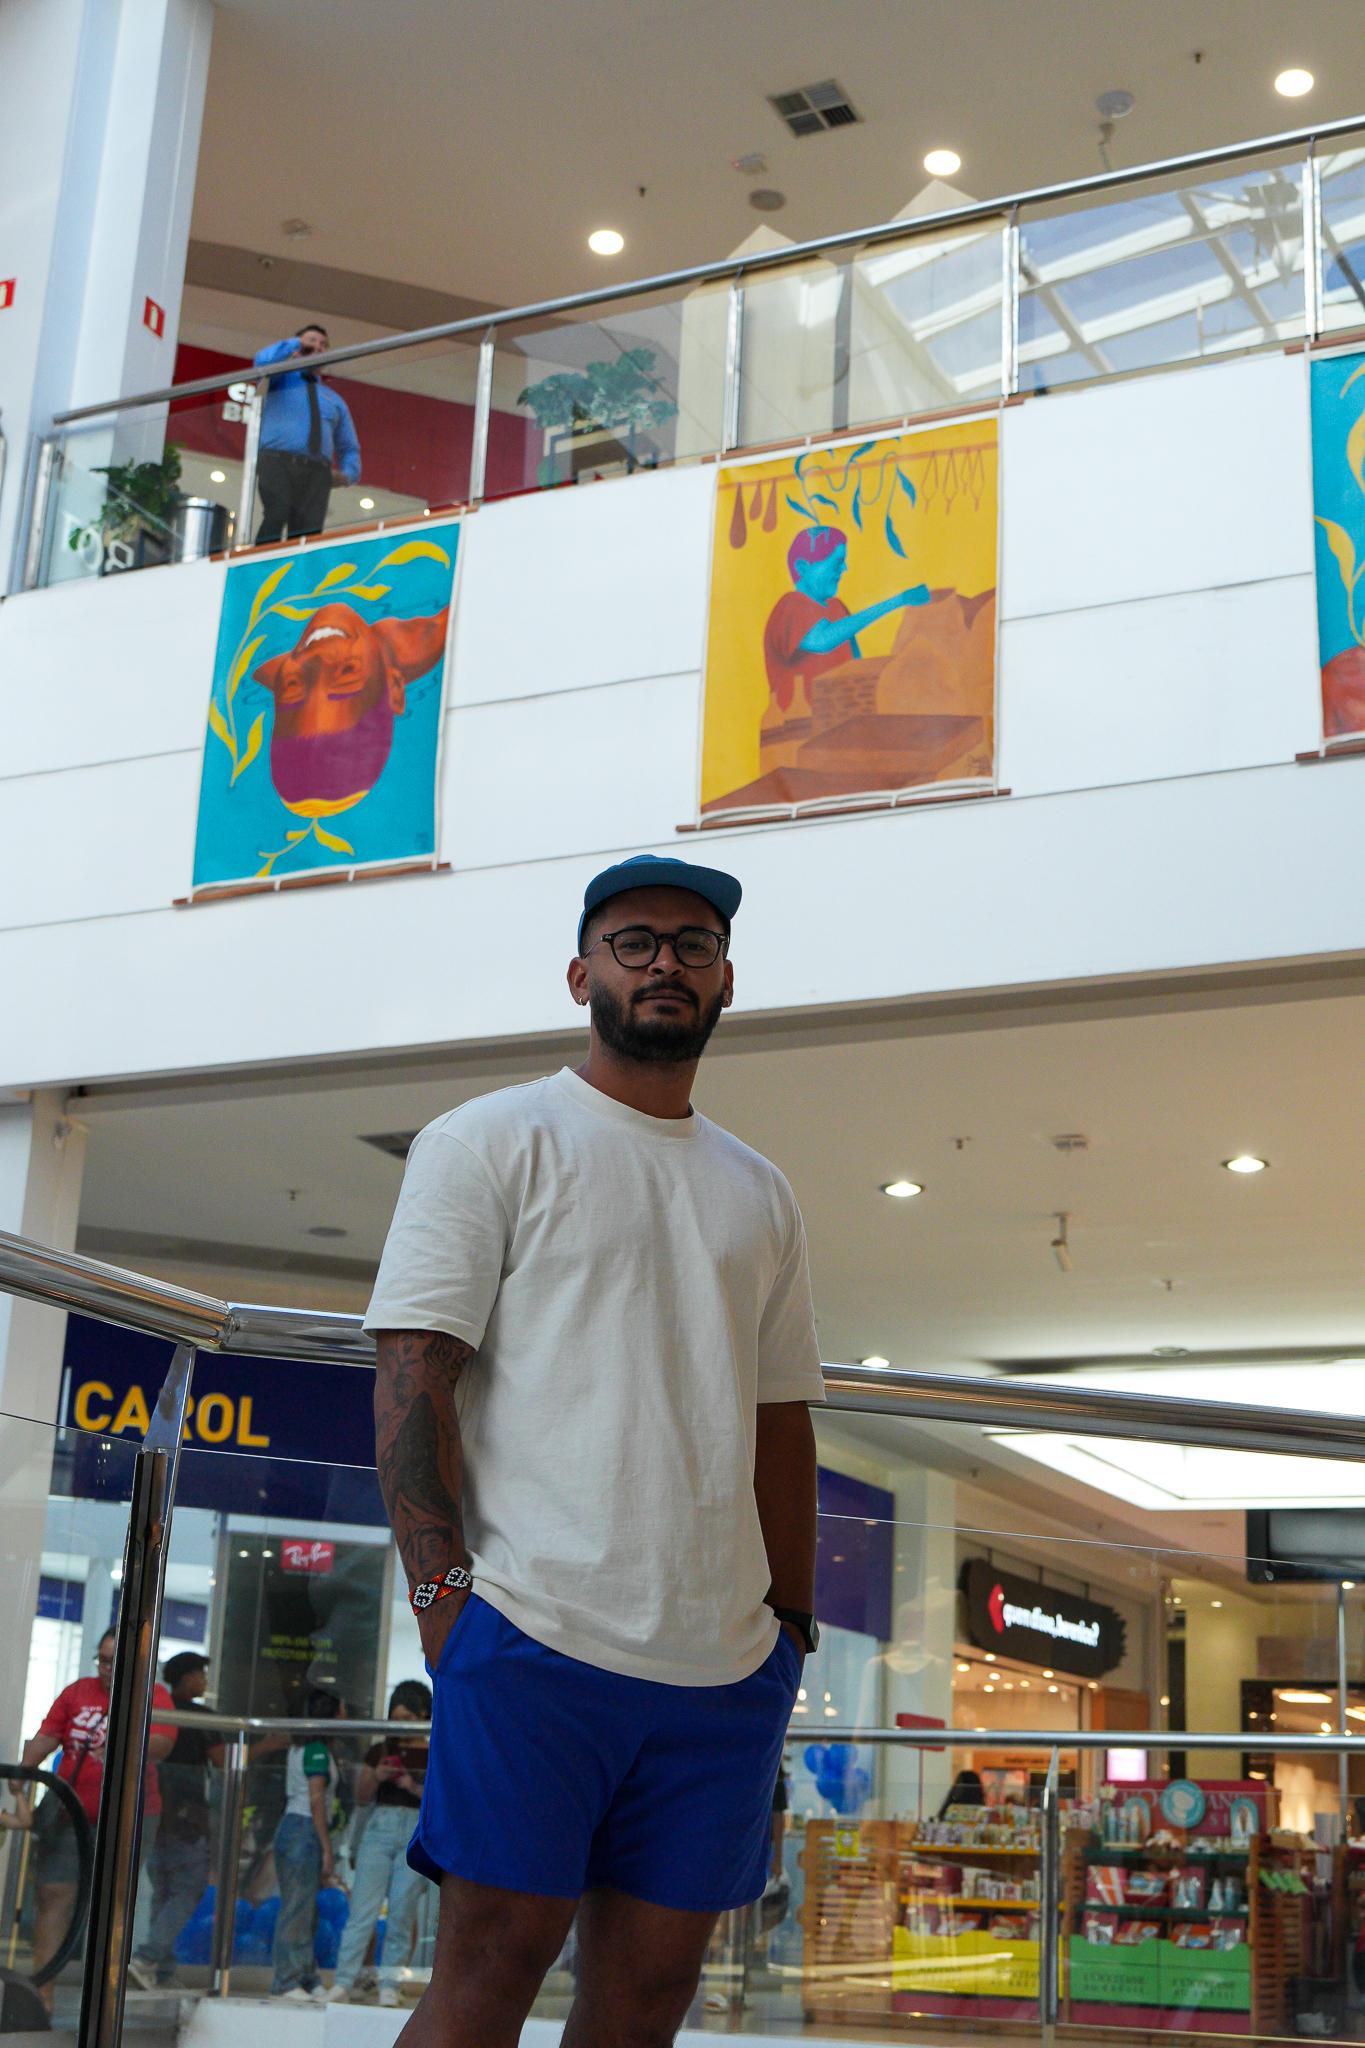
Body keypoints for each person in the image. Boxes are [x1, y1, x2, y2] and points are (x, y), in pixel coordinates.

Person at [366, 849, 826, 2048]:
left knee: (651, 1993)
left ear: (727, 979)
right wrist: (444, 1605)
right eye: (635, 942)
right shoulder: (487, 1140)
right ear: (582, 974)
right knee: (491, 1965)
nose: (666, 962)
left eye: (694, 944)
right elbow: (414, 1374)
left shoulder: (760, 1190)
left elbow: (782, 1415)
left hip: (725, 1664)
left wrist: (791, 1627)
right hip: (533, 1631)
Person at [10, 1632, 175, 2011]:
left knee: (113, 1902)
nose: (107, 1669)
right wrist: (24, 1769)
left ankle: (104, 1997)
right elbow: (48, 1734)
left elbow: (163, 1743)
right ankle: (42, 1995)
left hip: (128, 1817)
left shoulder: (154, 1695)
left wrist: (124, 1742)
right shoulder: (77, 1692)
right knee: (53, 1894)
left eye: (115, 1662)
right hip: (70, 1811)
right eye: (103, 1660)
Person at [761, 525, 929, 758]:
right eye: (836, 562)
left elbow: (855, 662)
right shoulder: (791, 606)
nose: (844, 569)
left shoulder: (837, 607)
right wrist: (898, 601)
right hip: (800, 736)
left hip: (844, 728)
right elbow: (823, 640)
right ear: (803, 567)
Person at [325, 1679, 433, 2007]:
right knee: (363, 1910)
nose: (401, 1726)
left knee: (402, 1912)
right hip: (379, 1827)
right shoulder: (380, 1749)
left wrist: (412, 1786)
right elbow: (361, 1796)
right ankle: (343, 1981)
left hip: (415, 1828)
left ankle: (390, 1982)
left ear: (423, 1715)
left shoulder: (436, 1750)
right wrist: (378, 1775)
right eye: (396, 1718)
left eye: (408, 1719)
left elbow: (442, 1801)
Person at [129, 1652, 222, 1991]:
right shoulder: (200, 1718)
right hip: (186, 1818)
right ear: (186, 1677)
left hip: (156, 1811)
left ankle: (160, 1970)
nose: (204, 1681)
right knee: (188, 1888)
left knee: (164, 1890)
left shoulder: (158, 1713)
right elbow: (223, 1761)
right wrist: (266, 1746)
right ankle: (148, 1957)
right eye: (200, 1674)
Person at [270, 1687, 347, 2003]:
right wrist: (326, 1847)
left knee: (306, 1909)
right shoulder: (315, 1750)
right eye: (341, 1710)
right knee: (297, 1908)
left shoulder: (302, 1747)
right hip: (303, 1829)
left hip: (297, 1828)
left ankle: (305, 1974)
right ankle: (286, 1980)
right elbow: (317, 1801)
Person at [252, 324, 361, 545]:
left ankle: (298, 569)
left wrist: (348, 474)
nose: (318, 347)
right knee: (276, 514)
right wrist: (296, 345)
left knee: (308, 535)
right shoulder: (279, 379)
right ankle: (262, 563)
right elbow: (262, 362)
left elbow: (349, 446)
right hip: (277, 460)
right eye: (312, 340)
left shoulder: (334, 400)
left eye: (323, 345)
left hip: (317, 471)